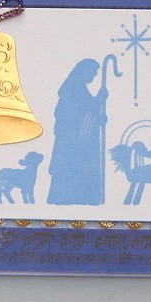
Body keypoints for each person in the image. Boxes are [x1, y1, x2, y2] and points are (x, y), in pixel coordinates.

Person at [47, 59, 108, 205]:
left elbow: (87, 112)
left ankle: (82, 197)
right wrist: (99, 99)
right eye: (93, 72)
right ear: (84, 71)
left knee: (79, 168)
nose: (94, 76)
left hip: (75, 141)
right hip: (71, 141)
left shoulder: (78, 88)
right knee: (71, 169)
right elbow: (78, 114)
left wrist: (98, 117)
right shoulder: (73, 89)